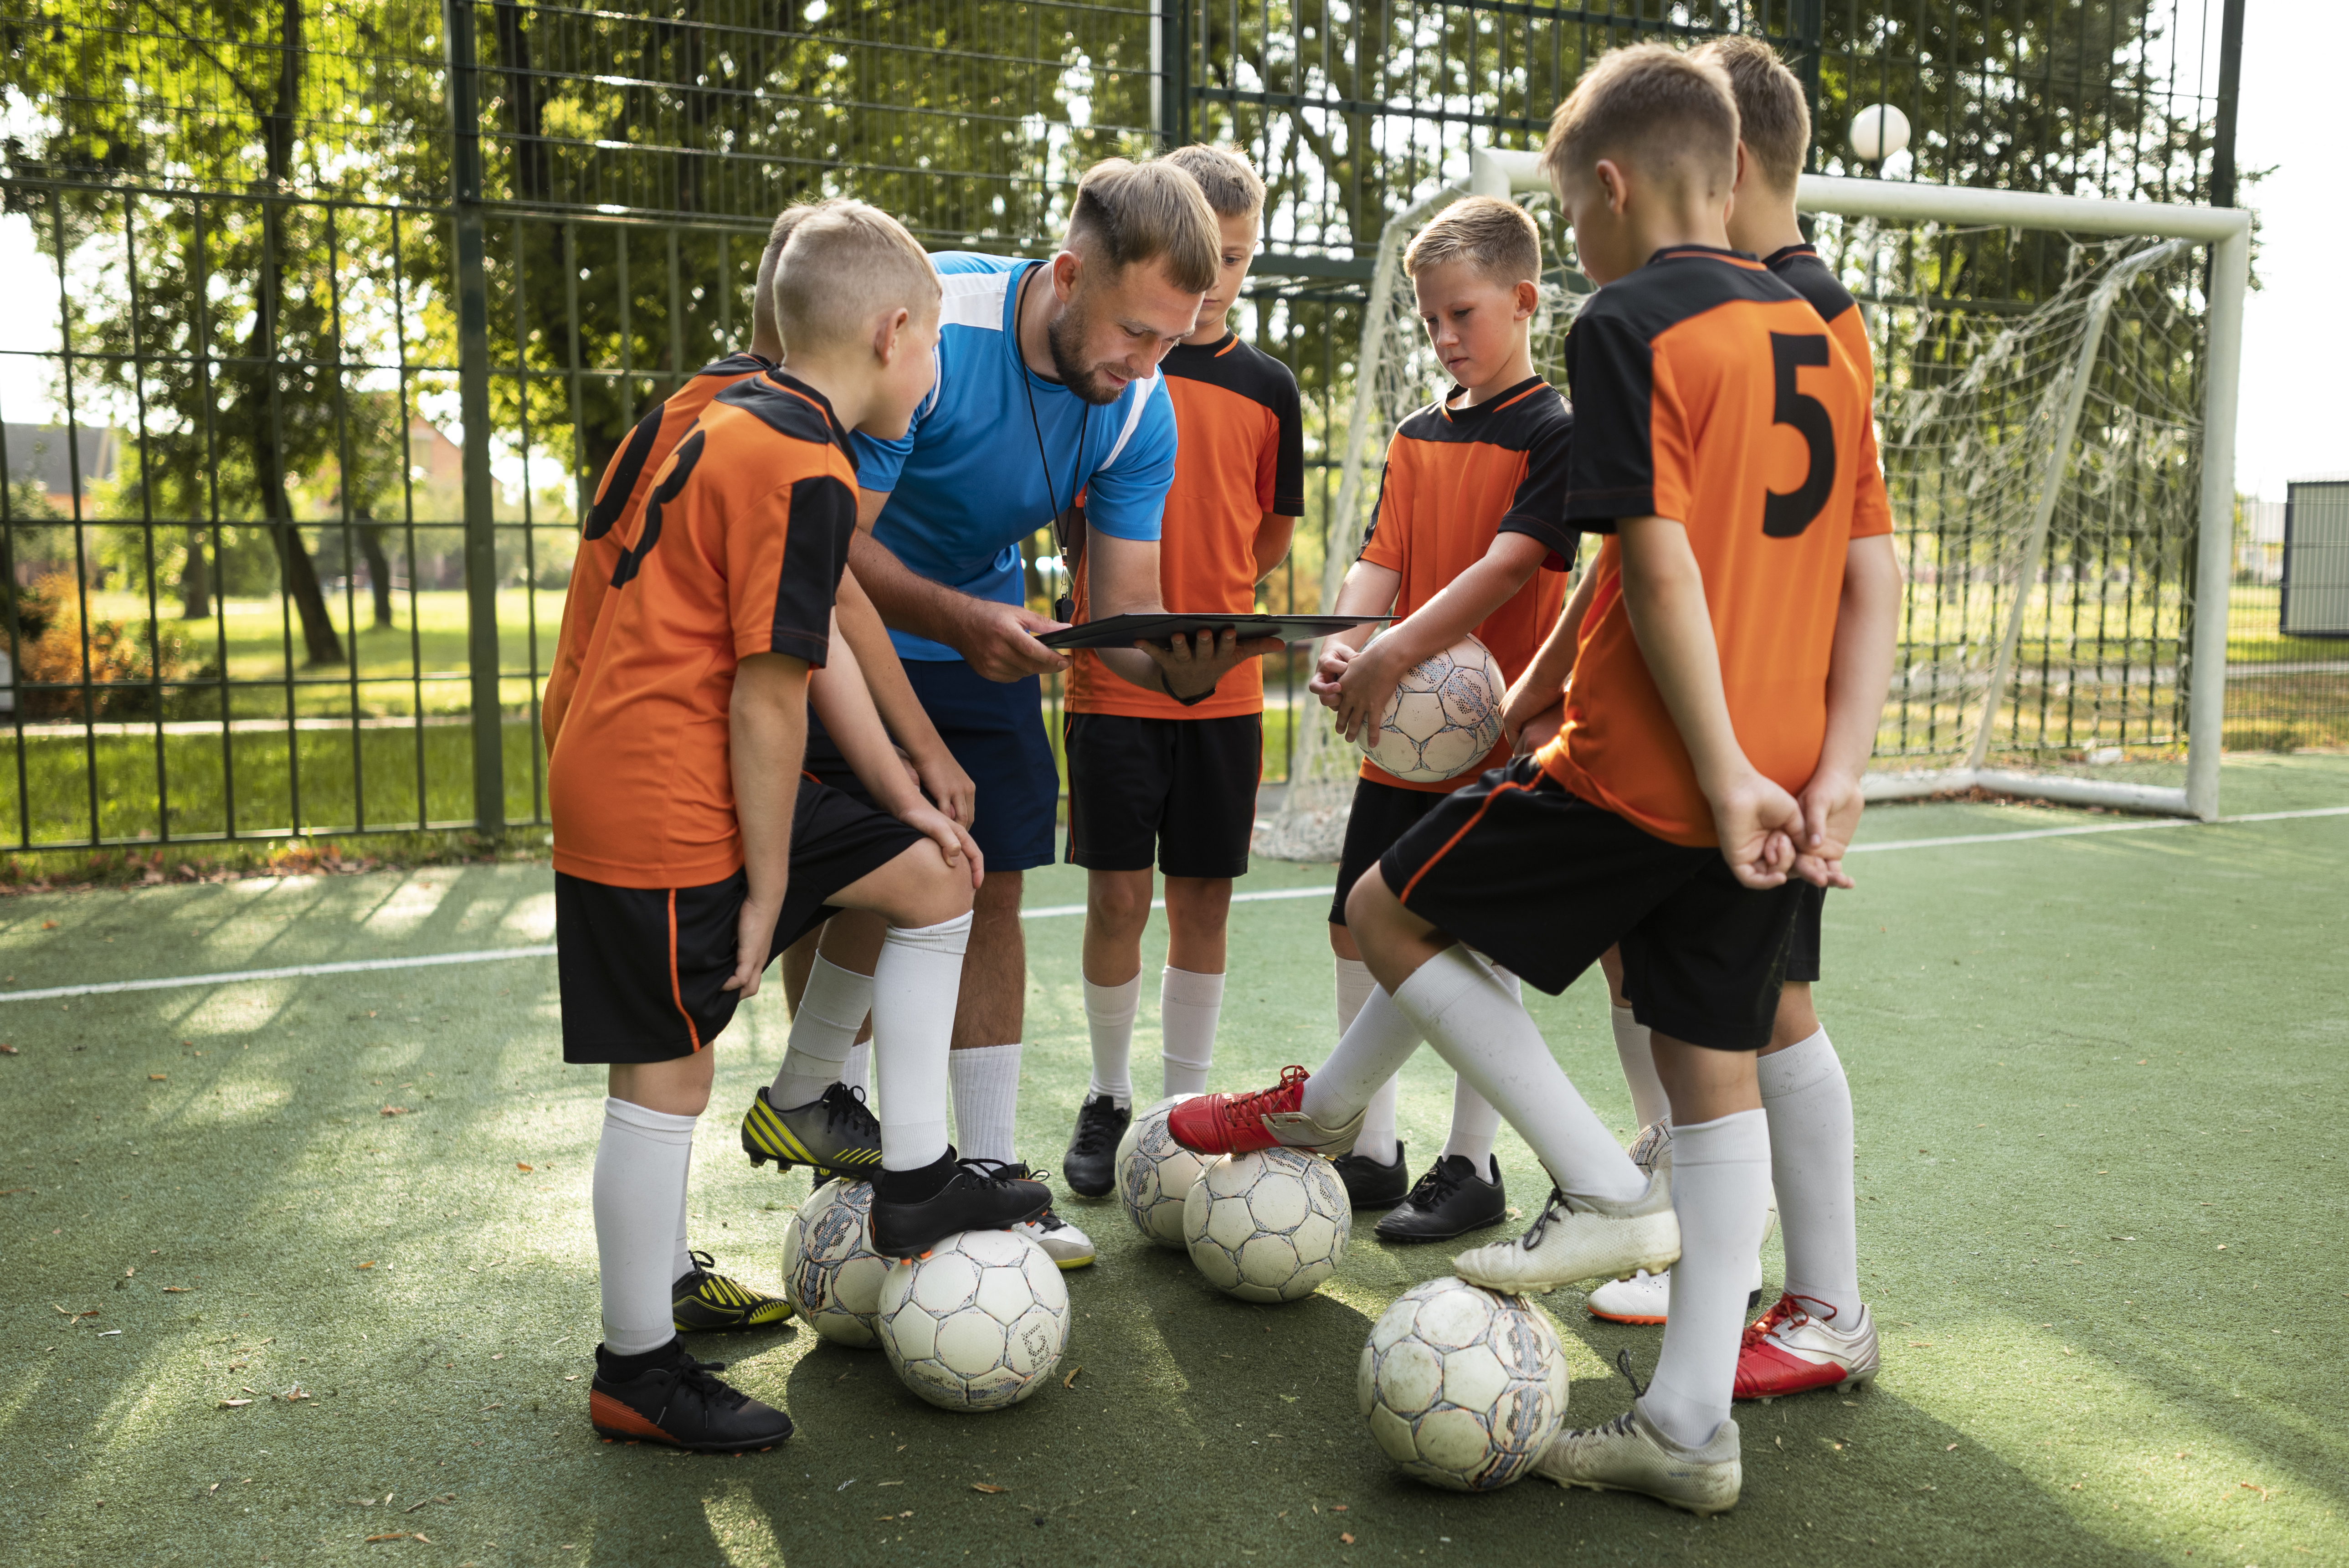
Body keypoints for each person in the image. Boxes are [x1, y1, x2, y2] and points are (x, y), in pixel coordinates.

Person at [1167, 45, 1900, 1514]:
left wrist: (1689, 762)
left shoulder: (1630, 321)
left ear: (1612, 191)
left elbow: (1654, 559)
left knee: (1385, 912)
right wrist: (1824, 774)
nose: (1574, 250)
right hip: (1771, 773)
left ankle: (1596, 1187)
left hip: (1637, 767)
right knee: (1711, 1075)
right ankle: (1689, 1427)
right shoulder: (1822, 328)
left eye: (1570, 221)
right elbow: (1874, 565)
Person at [549, 200, 1053, 1453]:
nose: (938, 378)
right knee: (667, 1070)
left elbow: (816, 612)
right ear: (890, 335)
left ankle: (917, 1176)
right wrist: (774, 887)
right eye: (934, 348)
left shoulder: (729, 404)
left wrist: (911, 772)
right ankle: (637, 1365)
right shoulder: (798, 457)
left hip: (637, 756)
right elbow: (773, 693)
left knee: (936, 873)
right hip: (666, 784)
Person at [845, 157, 1279, 1267]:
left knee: (992, 884)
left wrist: (1183, 668)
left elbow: (1124, 611)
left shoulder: (1142, 402)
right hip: (849, 633)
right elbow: (830, 544)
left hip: (980, 631)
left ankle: (990, 1177)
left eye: (1172, 342)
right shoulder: (933, 327)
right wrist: (959, 620)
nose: (1146, 365)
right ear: (1070, 272)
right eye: (1136, 333)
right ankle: (848, 1169)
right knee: (853, 893)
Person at [1577, 38, 1894, 1383]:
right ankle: (1729, 1270)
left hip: (1750, 729)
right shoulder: (1782, 307)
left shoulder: (1785, 316)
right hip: (1763, 732)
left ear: (1728, 165)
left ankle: (1811, 1299)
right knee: (1716, 1001)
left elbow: (1848, 559)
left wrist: (1827, 756)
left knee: (1772, 1009)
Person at [1296, 195, 1573, 1243]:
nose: (1446, 338)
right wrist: (1348, 639)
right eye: (1429, 322)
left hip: (1497, 737)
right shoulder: (1418, 434)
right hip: (1399, 737)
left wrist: (1396, 648)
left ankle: (1472, 1162)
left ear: (1523, 299)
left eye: (1463, 314)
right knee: (1350, 926)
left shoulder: (1556, 433)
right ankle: (1369, 1149)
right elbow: (1382, 556)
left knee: (1475, 947)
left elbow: (1510, 566)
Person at [1056, 144, 1303, 1197]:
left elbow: (1271, 537)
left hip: (1226, 693)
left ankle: (1177, 1110)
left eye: (1237, 261)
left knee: (1202, 897)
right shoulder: (1110, 368)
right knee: (1119, 894)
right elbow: (1074, 516)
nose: (1216, 283)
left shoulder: (1269, 388)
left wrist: (1208, 627)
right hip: (1113, 682)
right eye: (1204, 254)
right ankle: (1111, 1096)